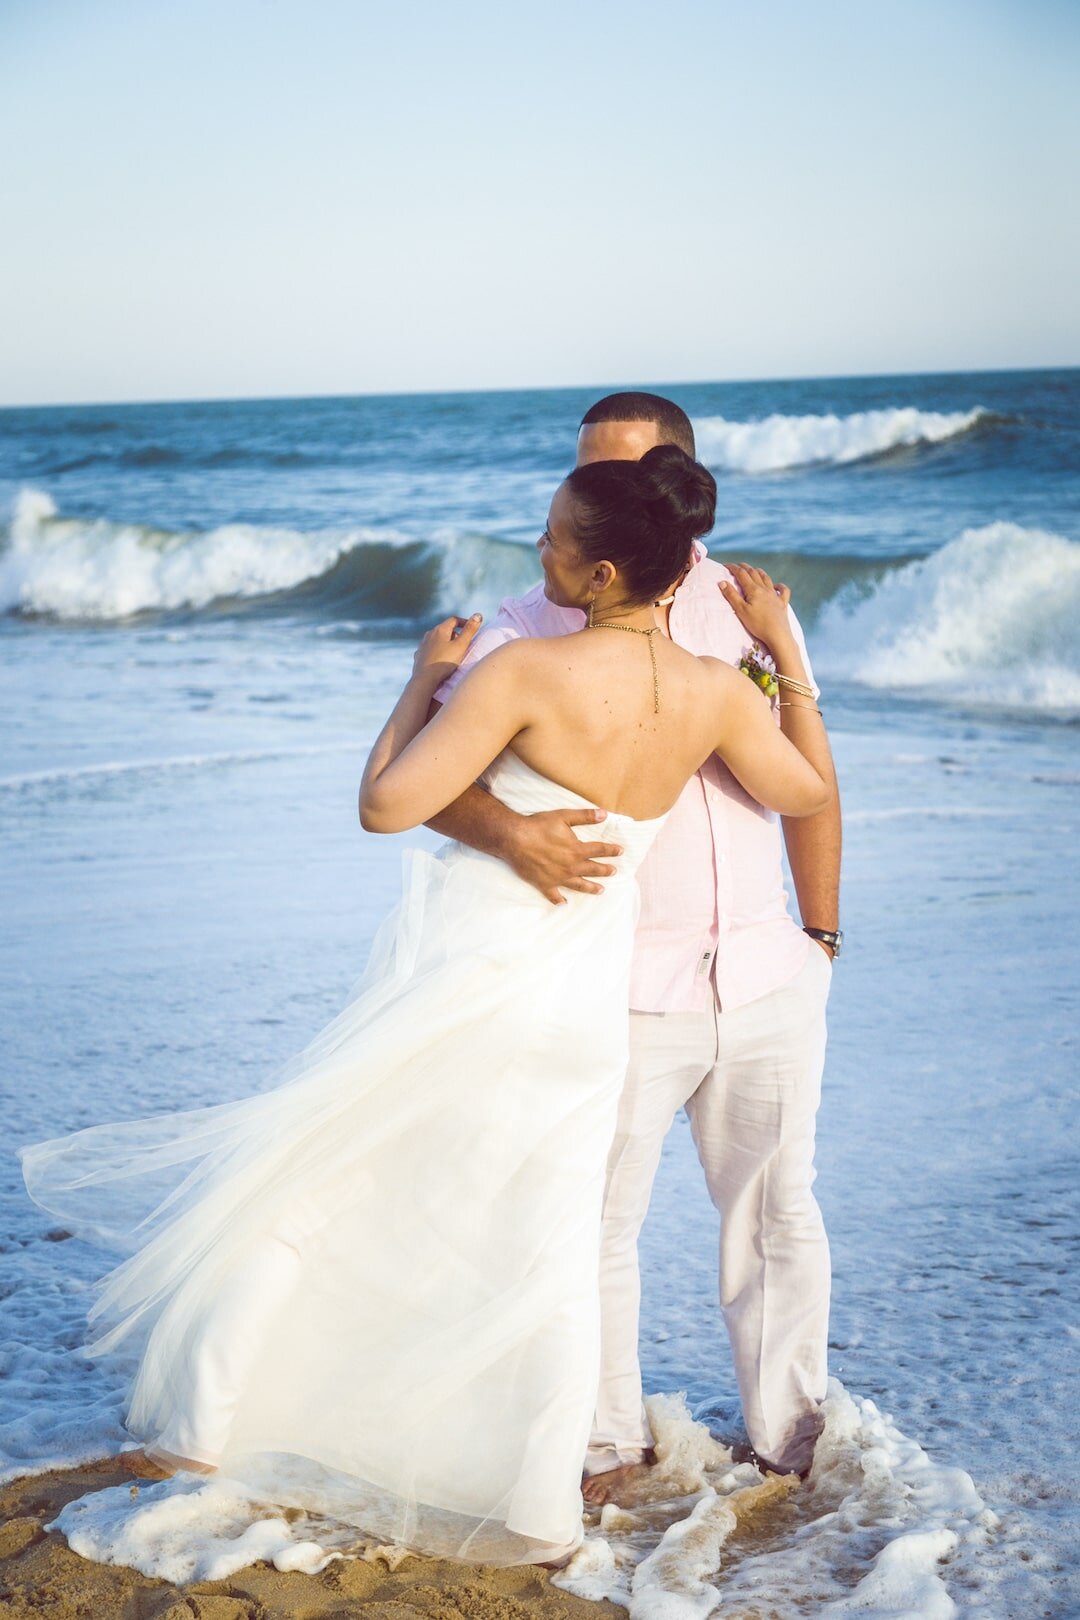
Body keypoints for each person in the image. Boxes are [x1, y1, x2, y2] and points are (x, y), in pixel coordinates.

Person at [19, 446, 831, 1569]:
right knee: (543, 1238)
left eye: (554, 537)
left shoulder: (522, 677)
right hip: (586, 1007)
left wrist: (419, 679)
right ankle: (534, 1505)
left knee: (326, 1169)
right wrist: (784, 655)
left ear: (601, 576)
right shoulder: (708, 695)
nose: (537, 548)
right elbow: (806, 789)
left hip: (480, 973)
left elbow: (386, 804)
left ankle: (206, 1430)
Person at [428, 392, 842, 1495]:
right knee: (598, 1217)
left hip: (764, 971)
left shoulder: (751, 610)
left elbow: (811, 791)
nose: (609, 496)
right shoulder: (526, 625)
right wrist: (511, 832)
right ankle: (609, 1440)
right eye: (588, 476)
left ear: (684, 482)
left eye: (633, 472)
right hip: (615, 981)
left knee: (779, 1210)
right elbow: (432, 781)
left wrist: (824, 937)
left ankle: (792, 1433)